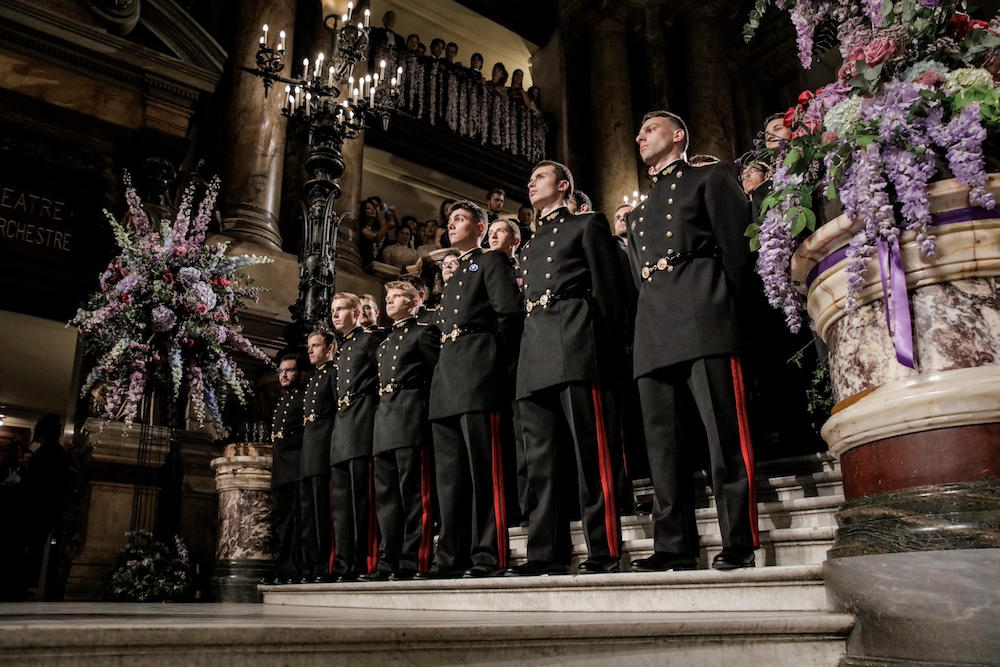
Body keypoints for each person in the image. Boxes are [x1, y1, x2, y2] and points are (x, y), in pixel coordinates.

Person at [627, 110, 759, 572]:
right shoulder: (639, 212)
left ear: (679, 135)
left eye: (651, 129)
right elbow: (637, 276)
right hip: (654, 325)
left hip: (704, 310)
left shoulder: (708, 177)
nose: (640, 137)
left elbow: (739, 250)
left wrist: (726, 308)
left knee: (723, 434)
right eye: (640, 132)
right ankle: (673, 545)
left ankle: (738, 540)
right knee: (662, 446)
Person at [507, 160, 626, 576]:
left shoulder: (586, 224)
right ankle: (545, 552)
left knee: (592, 455)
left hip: (575, 340)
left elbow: (610, 294)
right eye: (530, 177)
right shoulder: (527, 245)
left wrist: (602, 348)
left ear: (562, 185)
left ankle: (604, 549)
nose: (530, 182)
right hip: (534, 348)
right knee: (539, 462)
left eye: (538, 176)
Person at [423, 201, 523, 579]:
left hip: (478, 369)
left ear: (480, 227)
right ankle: (450, 556)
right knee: (449, 477)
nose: (452, 225)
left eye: (461, 219)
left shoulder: (491, 261)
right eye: (449, 220)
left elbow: (509, 314)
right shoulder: (454, 272)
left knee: (485, 470)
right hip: (448, 377)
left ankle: (487, 553)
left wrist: (497, 363)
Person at [364, 281, 441, 581]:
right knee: (386, 500)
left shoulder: (424, 333)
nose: (390, 302)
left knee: (414, 495)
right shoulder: (384, 343)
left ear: (414, 302)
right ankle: (388, 561)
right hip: (385, 420)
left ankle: (414, 559)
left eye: (397, 297)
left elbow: (437, 377)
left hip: (411, 417)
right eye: (388, 297)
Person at [330, 292, 386, 581]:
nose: (335, 315)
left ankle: (364, 561)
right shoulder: (342, 348)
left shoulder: (369, 340)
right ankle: (343, 563)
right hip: (343, 425)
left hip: (362, 420)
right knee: (341, 503)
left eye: (341, 309)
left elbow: (383, 377)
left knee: (360, 499)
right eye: (333, 310)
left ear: (356, 312)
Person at [267, 352, 309, 584]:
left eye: (289, 370)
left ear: (302, 374)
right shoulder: (282, 400)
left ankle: (297, 569)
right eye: (280, 371)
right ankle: (284, 568)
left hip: (296, 463)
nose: (283, 375)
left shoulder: (305, 397)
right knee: (283, 522)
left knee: (297, 522)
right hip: (281, 464)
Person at [299, 331, 336, 582]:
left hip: (324, 447)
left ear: (329, 348)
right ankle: (310, 565)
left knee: (322, 510)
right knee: (309, 512)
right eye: (309, 346)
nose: (310, 351)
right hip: (309, 449)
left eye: (315, 346)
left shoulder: (333, 373)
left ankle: (323, 565)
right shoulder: (314, 378)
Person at [359, 197, 396, 267]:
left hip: (379, 263)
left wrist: (393, 214)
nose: (372, 210)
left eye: (373, 208)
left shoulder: (379, 226)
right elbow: (376, 239)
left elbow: (398, 225)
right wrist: (387, 222)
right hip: (365, 263)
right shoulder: (363, 229)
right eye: (368, 208)